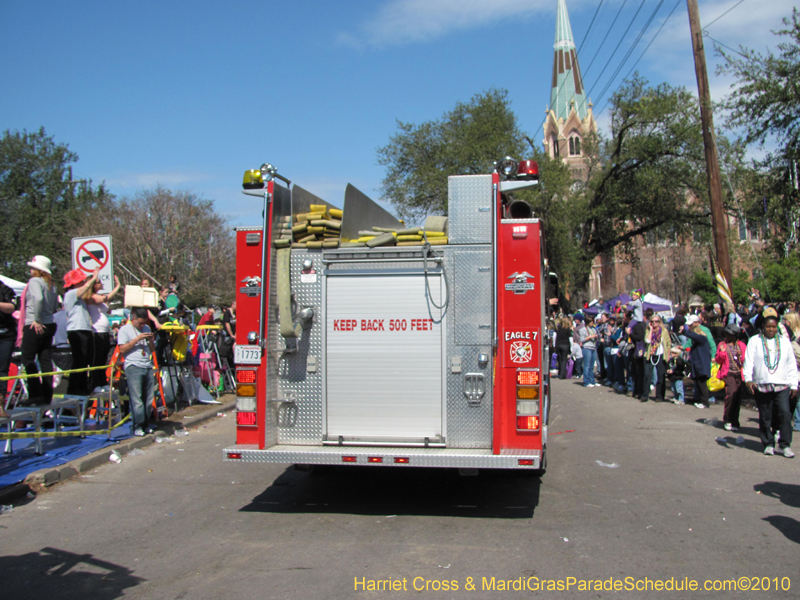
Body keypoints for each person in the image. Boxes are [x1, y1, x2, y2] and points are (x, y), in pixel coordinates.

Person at [743, 307, 798, 457]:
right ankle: (768, 443)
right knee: (765, 415)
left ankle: (784, 445)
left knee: (785, 414)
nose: (771, 329)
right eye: (768, 327)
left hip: (783, 384)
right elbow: (749, 362)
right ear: (763, 327)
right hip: (763, 384)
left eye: (774, 327)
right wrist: (748, 380)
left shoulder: (785, 342)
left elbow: (792, 364)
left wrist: (794, 384)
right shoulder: (755, 341)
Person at [18, 255, 58, 406]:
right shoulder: (51, 284)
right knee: (45, 359)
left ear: (38, 270)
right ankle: (47, 395)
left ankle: (35, 394)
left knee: (27, 359)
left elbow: (38, 299)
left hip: (35, 323)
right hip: (50, 324)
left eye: (33, 268)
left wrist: (36, 319)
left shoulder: (34, 281)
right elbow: (55, 306)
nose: (30, 270)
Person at [117, 307, 157, 436]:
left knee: (148, 398)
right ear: (133, 319)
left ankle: (145, 424)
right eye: (140, 323)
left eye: (144, 323)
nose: (142, 325)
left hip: (147, 365)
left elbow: (152, 349)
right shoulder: (124, 330)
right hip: (133, 366)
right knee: (137, 398)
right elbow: (122, 349)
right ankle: (137, 426)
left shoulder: (146, 328)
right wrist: (137, 339)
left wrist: (150, 339)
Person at [63, 268, 100, 396]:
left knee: (85, 360)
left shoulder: (80, 298)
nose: (83, 282)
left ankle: (83, 386)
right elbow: (84, 288)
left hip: (84, 329)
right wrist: (93, 277)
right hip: (76, 330)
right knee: (79, 359)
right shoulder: (71, 294)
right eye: (80, 281)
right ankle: (73, 387)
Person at [87, 275, 121, 390]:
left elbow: (107, 305)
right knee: (96, 359)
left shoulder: (98, 296)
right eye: (98, 282)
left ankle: (102, 382)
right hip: (96, 331)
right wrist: (117, 286)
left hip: (105, 331)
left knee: (104, 358)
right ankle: (95, 383)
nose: (101, 283)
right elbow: (106, 298)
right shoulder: (90, 296)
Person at [715, 324, 747, 431]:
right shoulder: (722, 344)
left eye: (729, 334)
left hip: (739, 373)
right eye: (726, 334)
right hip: (728, 373)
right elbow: (719, 360)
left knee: (737, 397)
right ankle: (727, 419)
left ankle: (735, 420)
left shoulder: (741, 345)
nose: (727, 336)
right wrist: (723, 351)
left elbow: (745, 359)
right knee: (731, 394)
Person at [685, 315, 711, 409]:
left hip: (702, 365)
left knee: (702, 385)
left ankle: (705, 402)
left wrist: (685, 332)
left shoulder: (702, 339)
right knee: (699, 384)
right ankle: (700, 400)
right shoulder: (698, 342)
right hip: (698, 365)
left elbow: (694, 336)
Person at [643, 313, 671, 402]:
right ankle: (645, 395)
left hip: (660, 354)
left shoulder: (664, 331)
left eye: (656, 321)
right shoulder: (648, 329)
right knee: (647, 375)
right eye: (652, 321)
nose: (654, 323)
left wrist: (668, 355)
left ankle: (659, 396)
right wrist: (651, 330)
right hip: (650, 355)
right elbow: (647, 340)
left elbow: (668, 343)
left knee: (661, 376)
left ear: (659, 322)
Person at [0, 279, 17, 417]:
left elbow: (11, 307)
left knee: (2, 369)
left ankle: (0, 405)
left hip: (6, 334)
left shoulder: (5, 289)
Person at [580, 314, 599, 388]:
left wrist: (596, 337)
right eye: (591, 322)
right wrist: (590, 337)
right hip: (587, 348)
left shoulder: (593, 329)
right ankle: (586, 381)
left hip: (593, 347)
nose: (592, 323)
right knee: (586, 365)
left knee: (592, 366)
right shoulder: (583, 329)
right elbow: (582, 340)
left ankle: (592, 381)